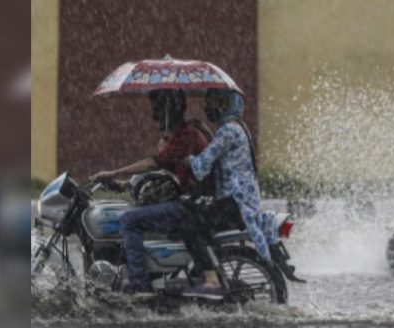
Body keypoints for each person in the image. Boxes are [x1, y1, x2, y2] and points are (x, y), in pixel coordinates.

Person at [90, 89, 211, 293]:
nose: (154, 113)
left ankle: (140, 285)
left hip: (190, 204)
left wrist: (114, 172)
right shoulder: (180, 134)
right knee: (132, 211)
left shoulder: (186, 135)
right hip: (188, 200)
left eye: (157, 106)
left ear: (170, 108)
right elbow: (164, 174)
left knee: (129, 220)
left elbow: (154, 164)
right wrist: (124, 184)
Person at [180, 88, 277, 298]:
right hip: (242, 201)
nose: (207, 108)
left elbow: (204, 164)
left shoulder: (228, 131)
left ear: (224, 105)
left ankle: (211, 279)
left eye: (212, 103)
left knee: (189, 225)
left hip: (236, 203)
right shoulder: (239, 128)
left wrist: (187, 160)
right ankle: (212, 263)